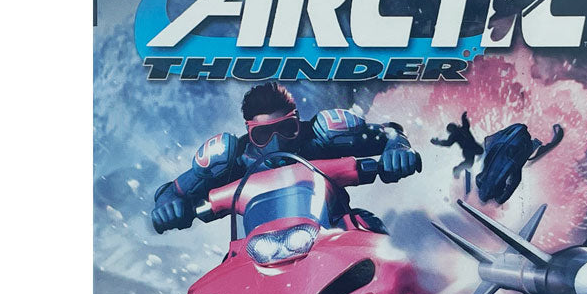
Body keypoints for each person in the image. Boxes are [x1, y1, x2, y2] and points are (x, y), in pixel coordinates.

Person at [150, 82, 420, 233]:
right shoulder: (230, 158)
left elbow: (390, 133)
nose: (277, 142)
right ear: (249, 131)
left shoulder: (322, 134)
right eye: (264, 134)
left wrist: (397, 151)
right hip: (260, 245)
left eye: (286, 129)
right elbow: (172, 191)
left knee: (372, 234)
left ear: (297, 120)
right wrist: (168, 207)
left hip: (336, 230)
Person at [431, 112, 484, 181]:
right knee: (469, 163)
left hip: (473, 146)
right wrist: (438, 142)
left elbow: (466, 124)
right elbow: (448, 143)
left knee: (480, 152)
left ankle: (459, 169)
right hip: (467, 150)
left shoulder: (462, 129)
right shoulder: (454, 135)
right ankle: (457, 169)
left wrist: (464, 118)